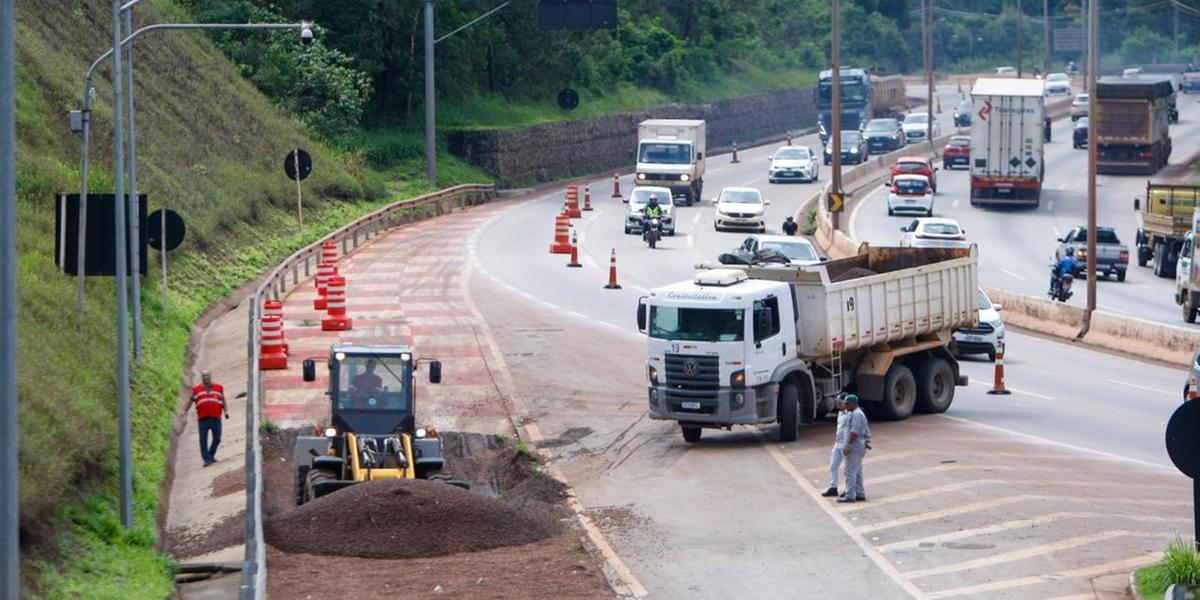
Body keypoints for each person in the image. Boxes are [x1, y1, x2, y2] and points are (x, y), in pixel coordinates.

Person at [188, 370, 228, 467]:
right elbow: (190, 400)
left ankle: (210, 455)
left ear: (210, 376)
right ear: (202, 377)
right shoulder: (196, 389)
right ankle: (207, 459)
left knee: (217, 438)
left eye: (207, 376)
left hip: (216, 418)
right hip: (203, 419)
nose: (205, 378)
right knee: (203, 440)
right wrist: (183, 411)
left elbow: (223, 399)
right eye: (203, 376)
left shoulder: (219, 388)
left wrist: (226, 411)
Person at [837, 394, 871, 504]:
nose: (845, 405)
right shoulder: (857, 413)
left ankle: (849, 495)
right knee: (857, 471)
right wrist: (867, 441)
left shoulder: (856, 415)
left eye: (847, 404)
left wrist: (848, 445)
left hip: (855, 447)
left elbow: (854, 432)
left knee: (850, 471)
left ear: (853, 404)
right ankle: (860, 493)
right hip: (859, 446)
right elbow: (866, 430)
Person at [821, 396, 849, 497]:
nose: (838, 404)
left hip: (845, 443)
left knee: (848, 468)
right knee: (833, 465)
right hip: (838, 442)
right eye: (838, 402)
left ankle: (848, 489)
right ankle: (833, 487)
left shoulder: (850, 415)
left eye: (840, 402)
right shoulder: (840, 413)